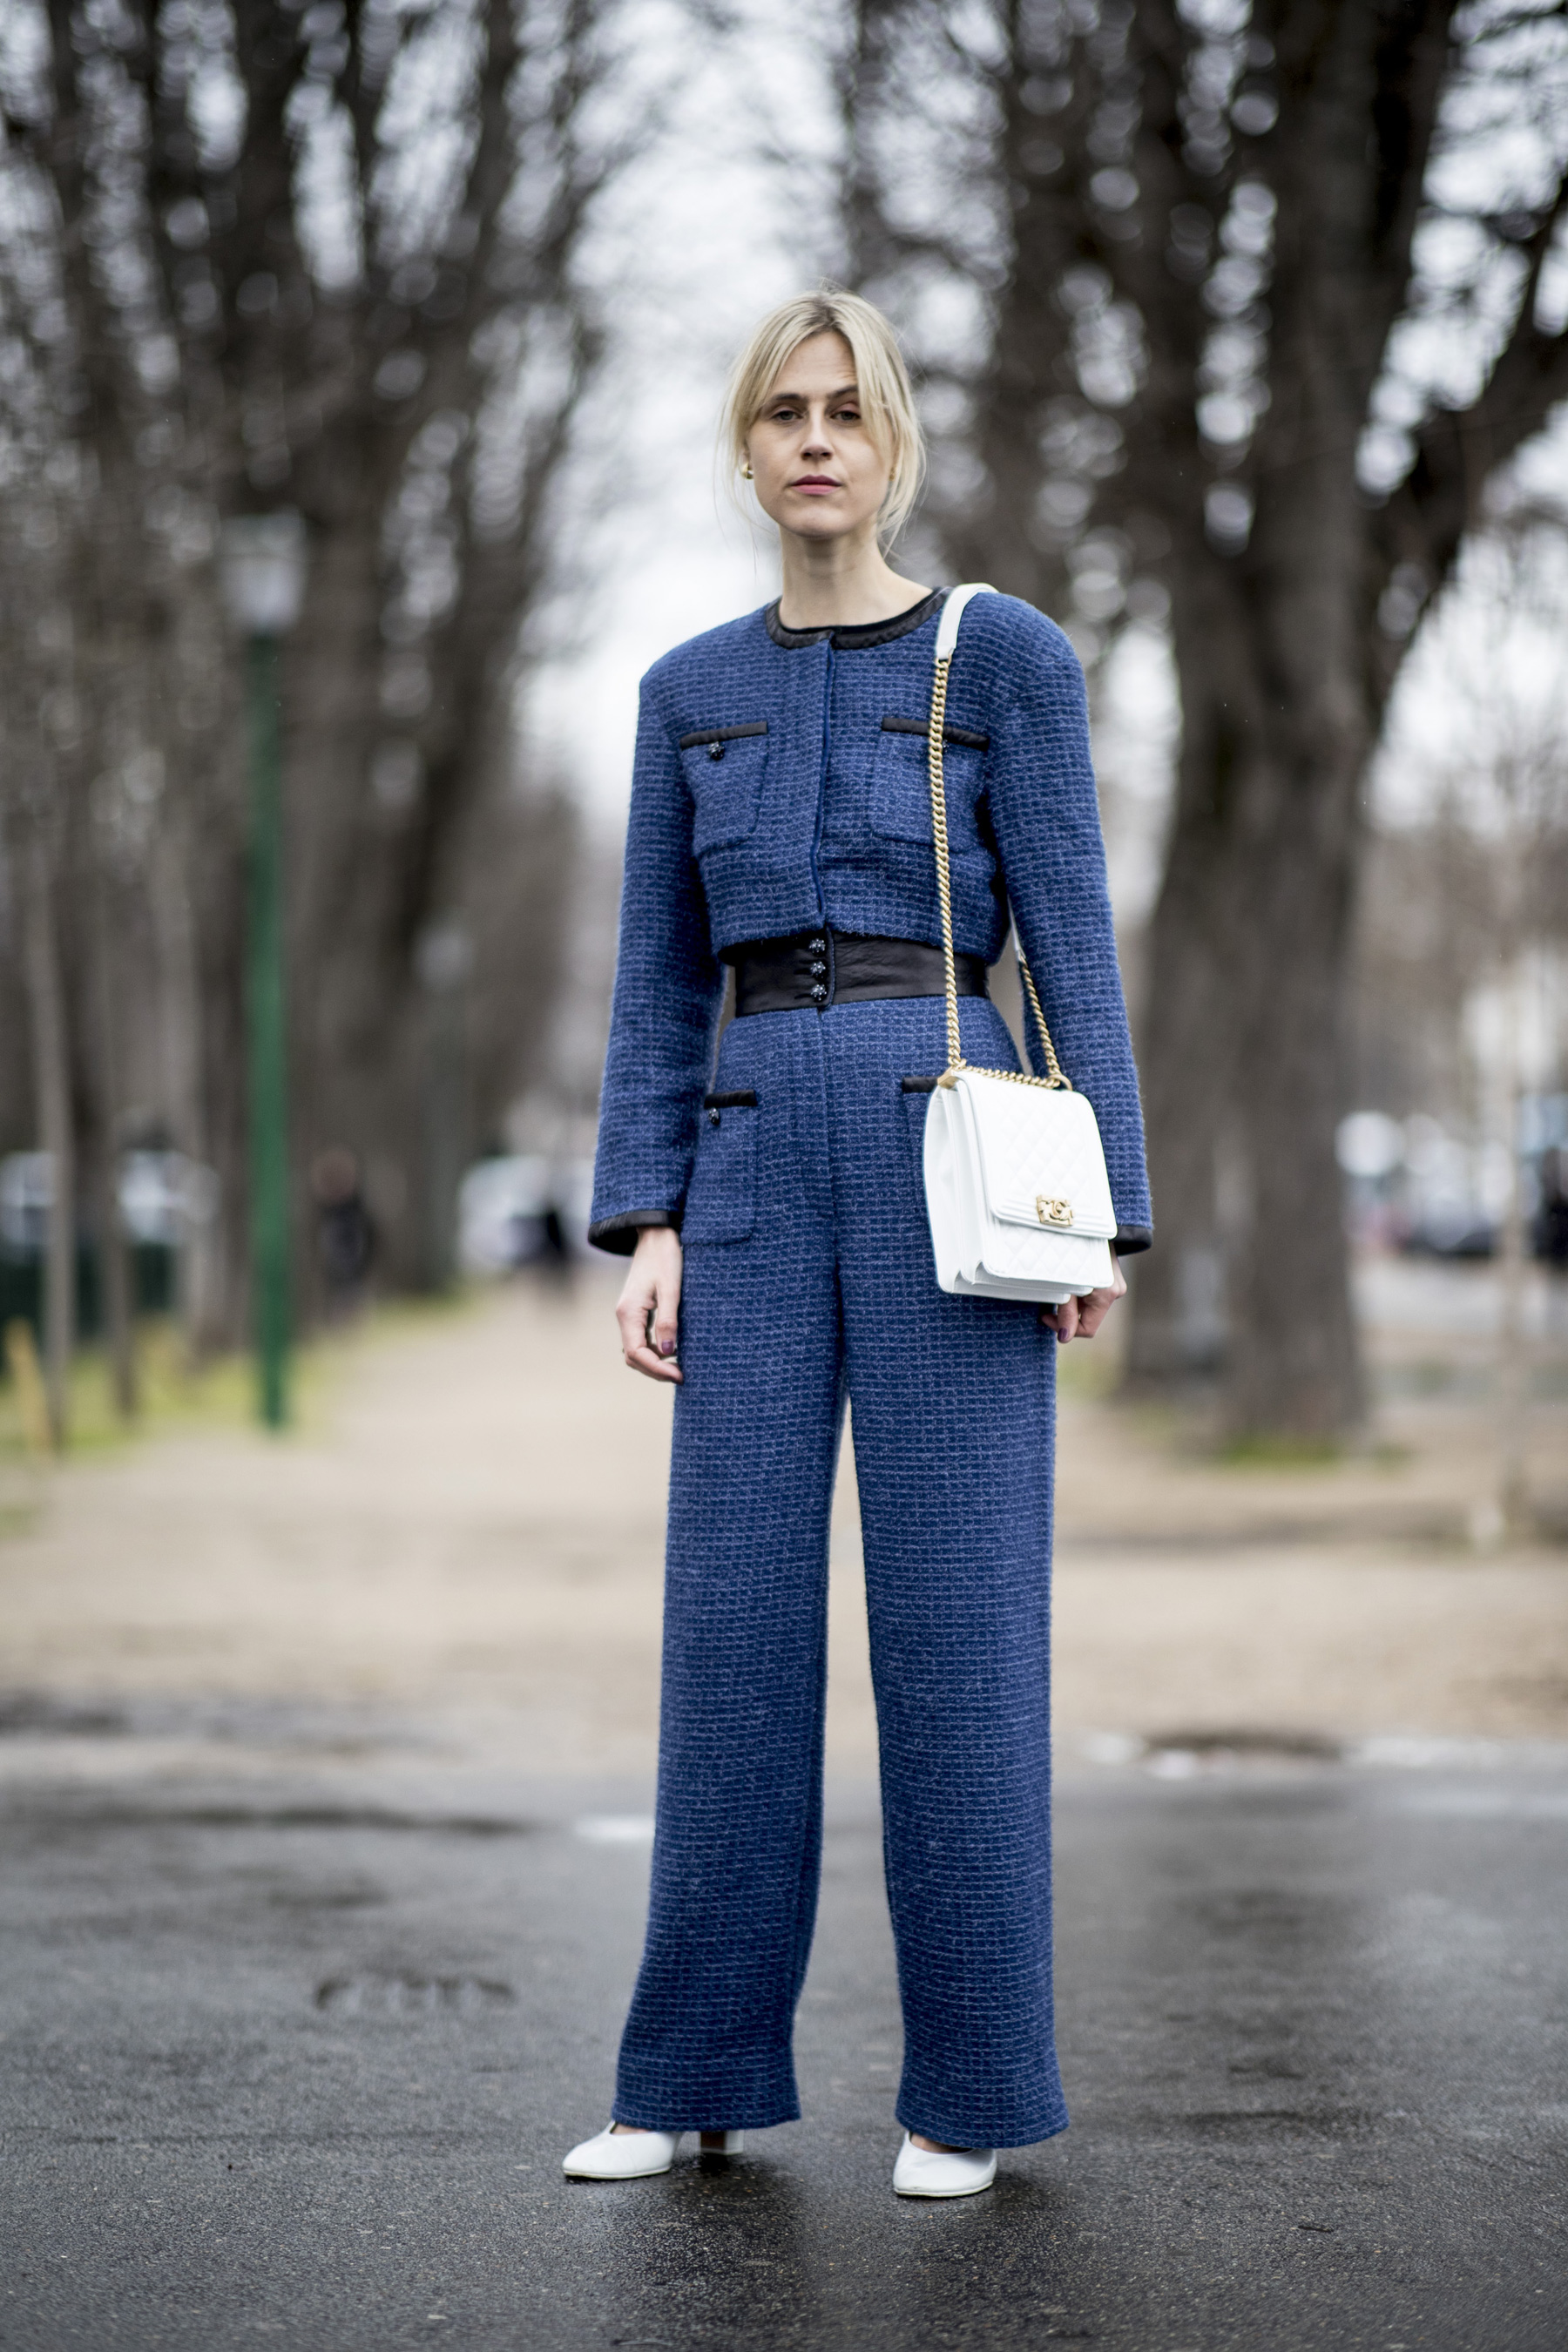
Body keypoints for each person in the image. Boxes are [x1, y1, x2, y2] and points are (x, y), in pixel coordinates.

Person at [565, 289, 1151, 2199]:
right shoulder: (680, 692)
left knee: (961, 1632)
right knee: (729, 1633)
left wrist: (1104, 1216)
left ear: (894, 444)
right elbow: (658, 988)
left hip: (953, 1163)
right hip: (743, 1171)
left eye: (848, 411)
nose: (816, 440)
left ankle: (968, 2096)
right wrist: (648, 1218)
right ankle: (690, 2072)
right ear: (744, 451)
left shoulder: (1010, 662)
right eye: (781, 413)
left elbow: (1068, 940)